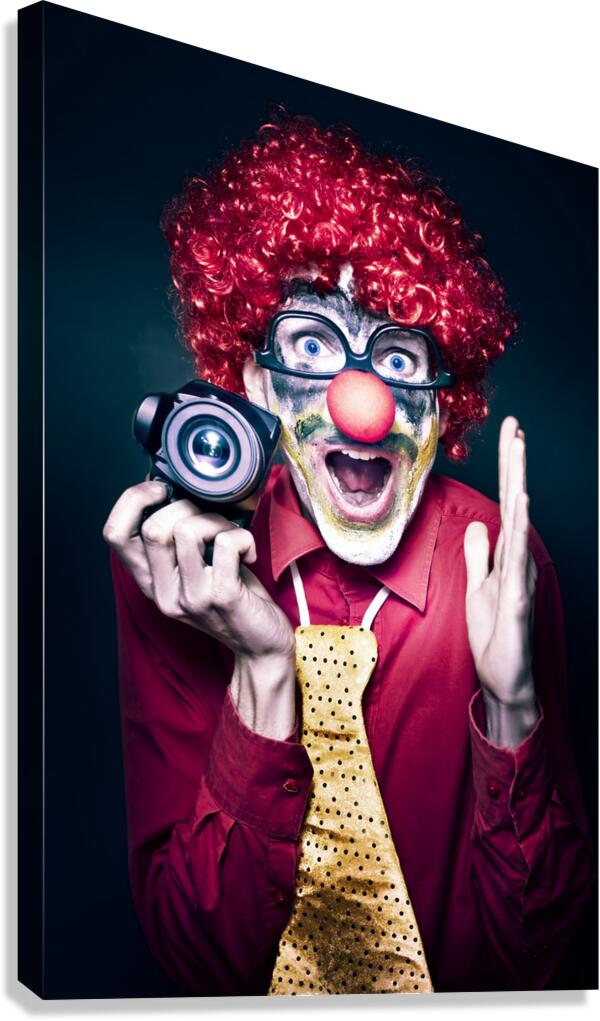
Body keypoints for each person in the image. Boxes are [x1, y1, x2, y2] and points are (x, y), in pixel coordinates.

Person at [103, 111, 593, 995]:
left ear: (441, 404)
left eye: (399, 356)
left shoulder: (500, 564)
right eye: (311, 344)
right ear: (254, 379)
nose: (360, 402)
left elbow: (548, 964)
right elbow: (198, 964)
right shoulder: (181, 567)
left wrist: (512, 706)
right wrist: (264, 674)